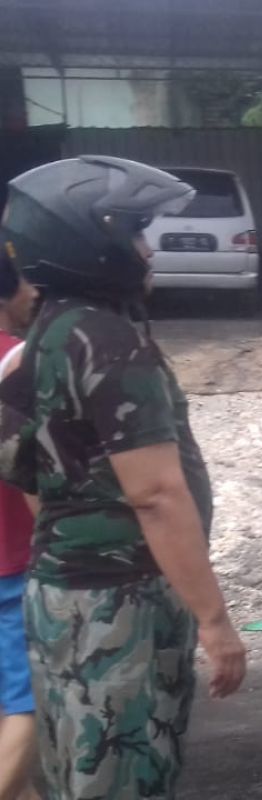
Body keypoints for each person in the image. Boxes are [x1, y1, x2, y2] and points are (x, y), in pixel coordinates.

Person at [0, 156, 247, 797]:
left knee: (74, 771)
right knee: (124, 773)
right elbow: (157, 494)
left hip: (60, 595)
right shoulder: (109, 342)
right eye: (135, 232)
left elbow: (20, 463)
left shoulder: (43, 338)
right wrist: (215, 622)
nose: (146, 249)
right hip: (120, 605)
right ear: (93, 241)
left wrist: (70, 545)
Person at [0, 254, 40, 800]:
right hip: (14, 568)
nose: (36, 292)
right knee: (30, 709)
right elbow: (36, 476)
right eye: (30, 280)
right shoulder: (18, 362)